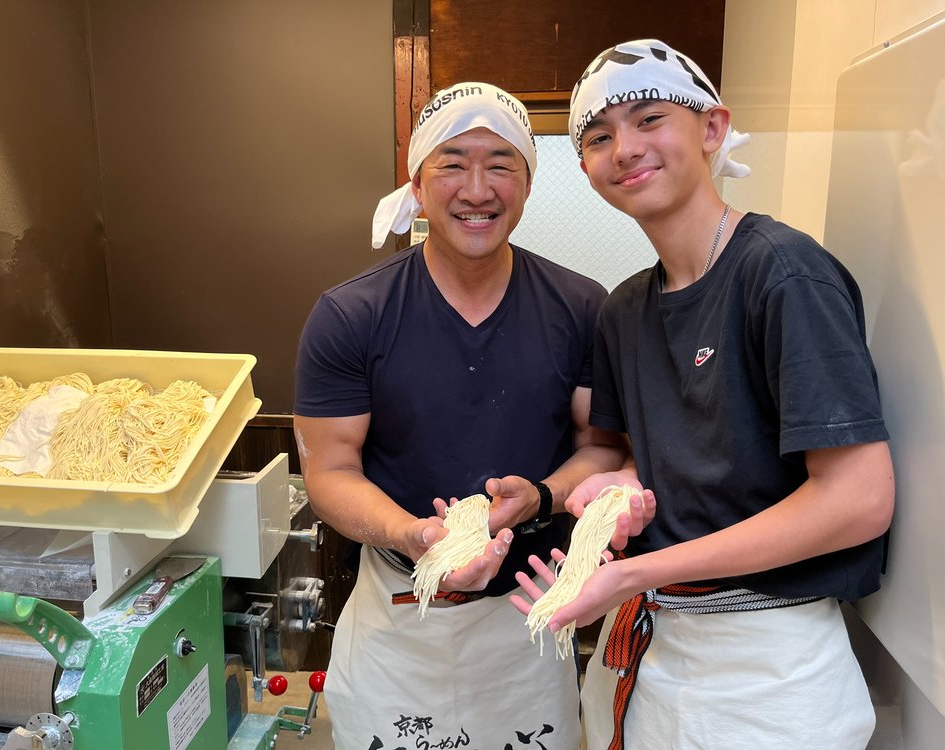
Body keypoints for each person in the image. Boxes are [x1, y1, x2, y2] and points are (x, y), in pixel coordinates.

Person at [511, 39, 895, 750]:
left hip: (771, 668)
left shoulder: (781, 276)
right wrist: (615, 496)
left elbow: (858, 500)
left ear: (712, 129)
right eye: (597, 137)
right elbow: (645, 463)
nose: (623, 148)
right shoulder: (626, 310)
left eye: (649, 118)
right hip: (657, 651)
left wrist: (636, 571)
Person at [294, 81, 652, 749]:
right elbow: (331, 472)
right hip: (397, 619)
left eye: (502, 165)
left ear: (528, 181)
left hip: (526, 618)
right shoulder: (353, 316)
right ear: (419, 180)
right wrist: (415, 538)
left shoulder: (579, 308)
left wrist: (541, 496)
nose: (477, 189)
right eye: (453, 163)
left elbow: (603, 449)